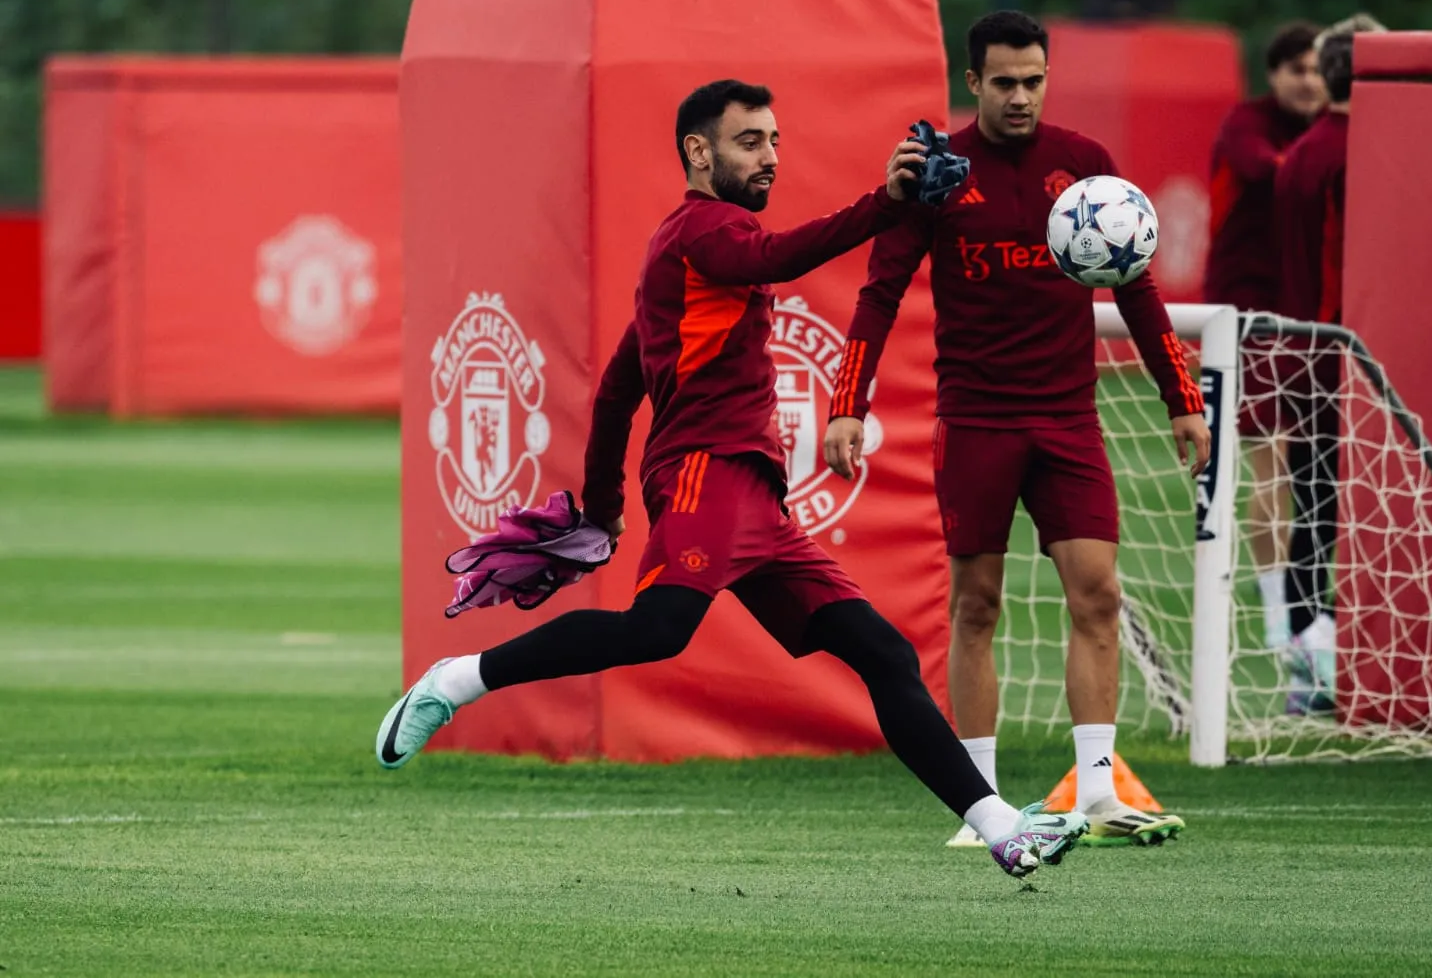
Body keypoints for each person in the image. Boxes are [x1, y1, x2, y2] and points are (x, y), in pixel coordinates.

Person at [374, 79, 1087, 879]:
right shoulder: (705, 230)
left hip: (754, 496)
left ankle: (1001, 828)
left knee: (881, 651)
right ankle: (456, 680)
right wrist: (883, 204)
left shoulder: (683, 256)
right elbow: (774, 254)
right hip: (704, 476)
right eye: (751, 141)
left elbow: (615, 389)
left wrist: (604, 509)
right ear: (698, 151)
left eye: (776, 141)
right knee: (658, 631)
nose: (771, 156)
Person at [823, 12, 1209, 848]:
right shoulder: (938, 176)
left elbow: (1136, 287)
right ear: (974, 82)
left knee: (1098, 594)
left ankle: (1100, 791)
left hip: (1069, 418)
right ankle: (983, 803)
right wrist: (847, 403)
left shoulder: (1086, 169)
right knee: (977, 605)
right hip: (976, 422)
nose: (1022, 96)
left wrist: (1182, 394)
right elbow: (879, 292)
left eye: (1034, 80)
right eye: (1004, 82)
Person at [1202, 21, 1327, 657]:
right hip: (1247, 325)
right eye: (1297, 69)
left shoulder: (1331, 128)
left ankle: (1314, 617)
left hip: (1312, 319)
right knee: (1272, 464)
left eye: (1316, 69)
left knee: (1322, 470)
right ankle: (1284, 627)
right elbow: (1271, 171)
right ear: (1274, 75)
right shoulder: (1247, 124)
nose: (1309, 81)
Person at [1274, 14, 1386, 714]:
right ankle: (1367, 672)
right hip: (1355, 359)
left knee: (1311, 517)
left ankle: (1304, 674)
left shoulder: (1300, 155)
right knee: (1369, 519)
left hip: (1301, 358)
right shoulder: (1367, 153)